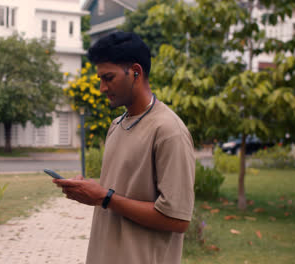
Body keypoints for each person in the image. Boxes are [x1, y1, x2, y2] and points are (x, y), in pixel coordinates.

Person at [53, 32, 195, 264]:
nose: (102, 87)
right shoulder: (116, 125)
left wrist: (105, 197)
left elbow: (178, 220)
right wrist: (89, 191)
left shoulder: (169, 131)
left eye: (108, 78)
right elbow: (119, 192)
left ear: (136, 72)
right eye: (100, 79)